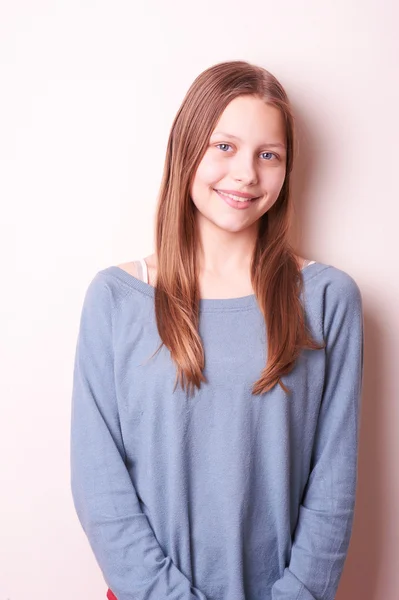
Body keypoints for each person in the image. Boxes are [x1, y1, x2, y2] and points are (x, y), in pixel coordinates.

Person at [70, 60, 364, 600]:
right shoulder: (114, 298)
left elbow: (334, 486)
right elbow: (99, 485)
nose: (247, 173)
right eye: (224, 146)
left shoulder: (328, 300)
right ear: (187, 150)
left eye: (268, 155)